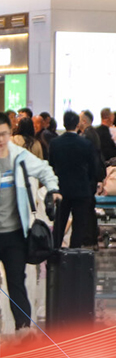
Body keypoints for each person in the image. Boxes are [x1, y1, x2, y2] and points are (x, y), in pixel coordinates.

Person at [0, 111, 60, 335]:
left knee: (16, 282)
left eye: (3, 134)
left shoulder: (19, 157)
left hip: (15, 233)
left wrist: (53, 189)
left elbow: (45, 169)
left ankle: (24, 331)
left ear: (10, 133)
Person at [49, 110, 102, 249]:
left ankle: (55, 252)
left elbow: (51, 165)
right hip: (81, 189)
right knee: (79, 225)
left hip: (62, 188)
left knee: (60, 223)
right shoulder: (85, 144)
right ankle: (74, 253)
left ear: (64, 123)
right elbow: (93, 167)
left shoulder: (55, 143)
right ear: (77, 124)